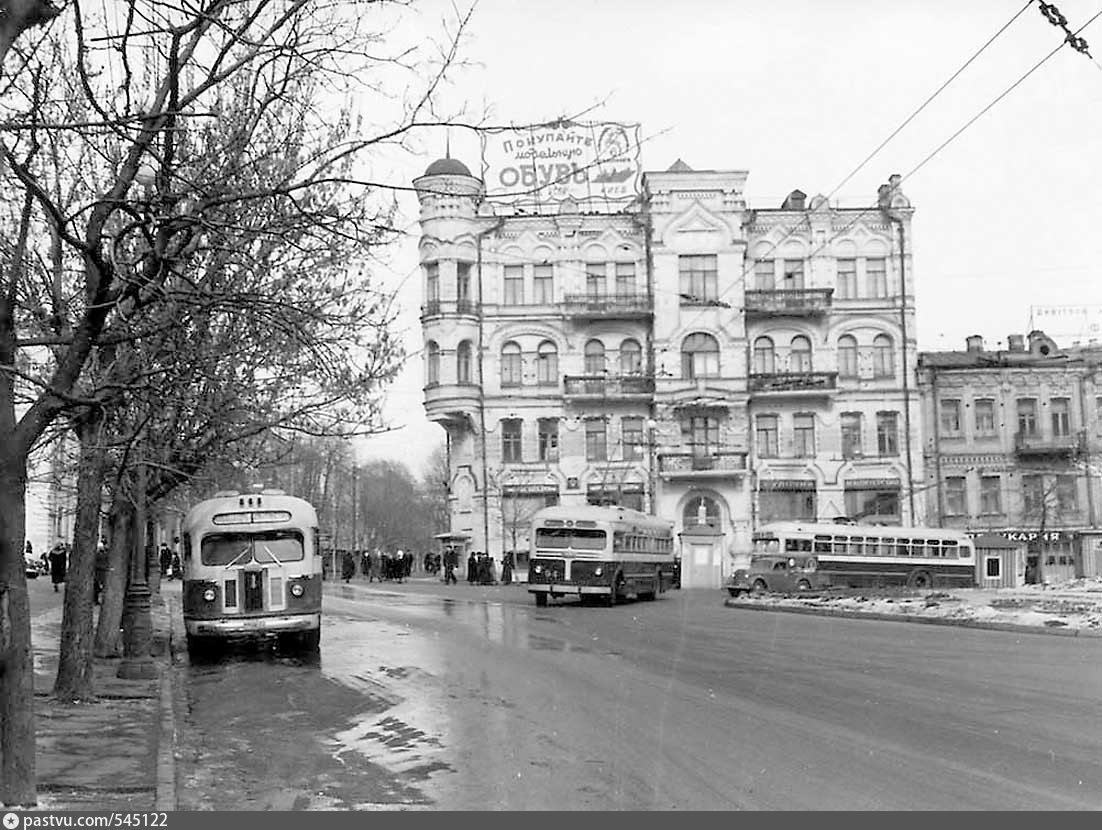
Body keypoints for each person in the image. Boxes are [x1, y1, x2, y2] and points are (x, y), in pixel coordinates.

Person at [94, 537, 110, 605]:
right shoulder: (101, 554)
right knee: (98, 587)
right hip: (100, 572)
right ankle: (97, 599)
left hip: (100, 572)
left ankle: (97, 599)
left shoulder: (100, 554)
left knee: (99, 587)